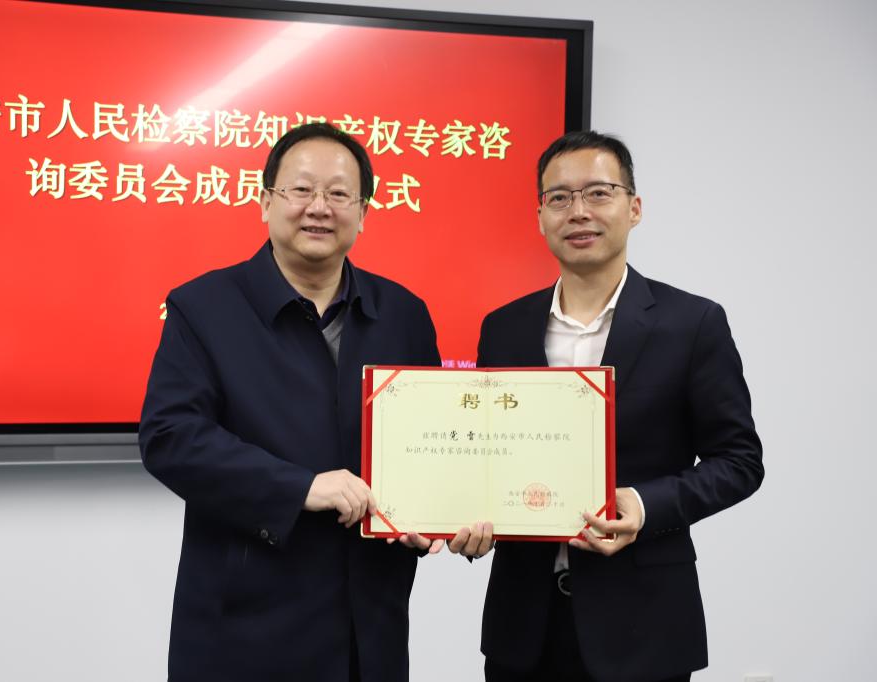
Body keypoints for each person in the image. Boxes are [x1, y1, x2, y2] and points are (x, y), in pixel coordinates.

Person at [138, 123, 443, 682]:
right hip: (246, 629)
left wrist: (444, 512)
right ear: (265, 202)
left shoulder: (404, 314)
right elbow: (171, 438)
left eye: (339, 194)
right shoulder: (204, 307)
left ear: (364, 212)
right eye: (301, 189)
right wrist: (300, 487)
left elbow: (429, 444)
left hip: (369, 630)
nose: (319, 208)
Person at [472, 130, 764, 682]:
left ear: (634, 208)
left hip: (644, 626)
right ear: (540, 216)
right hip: (523, 628)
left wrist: (644, 504)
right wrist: (463, 516)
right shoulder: (503, 327)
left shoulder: (692, 323)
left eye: (598, 193)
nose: (578, 211)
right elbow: (487, 457)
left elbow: (740, 462)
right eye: (559, 197)